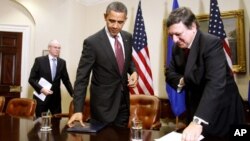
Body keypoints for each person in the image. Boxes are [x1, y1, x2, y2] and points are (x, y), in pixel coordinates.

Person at [165, 7, 245, 140]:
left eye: (178, 34)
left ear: (193, 27)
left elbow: (215, 83)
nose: (174, 40)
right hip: (196, 108)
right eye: (171, 35)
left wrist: (198, 121)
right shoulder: (176, 47)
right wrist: (184, 80)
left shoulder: (210, 43)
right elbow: (170, 74)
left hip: (223, 110)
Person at [67, 1, 138, 128]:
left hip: (123, 104)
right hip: (102, 107)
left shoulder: (128, 37)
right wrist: (78, 110)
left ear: (125, 20)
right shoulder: (92, 43)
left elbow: (128, 60)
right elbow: (82, 78)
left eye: (120, 22)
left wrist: (133, 71)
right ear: (105, 17)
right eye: (111, 20)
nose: (115, 26)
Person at [29, 39, 74, 117]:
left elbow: (66, 81)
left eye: (59, 48)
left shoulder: (62, 62)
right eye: (55, 47)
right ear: (49, 48)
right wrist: (42, 89)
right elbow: (31, 79)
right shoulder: (39, 61)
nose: (57, 50)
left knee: (57, 123)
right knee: (39, 124)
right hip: (41, 98)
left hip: (55, 99)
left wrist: (73, 94)